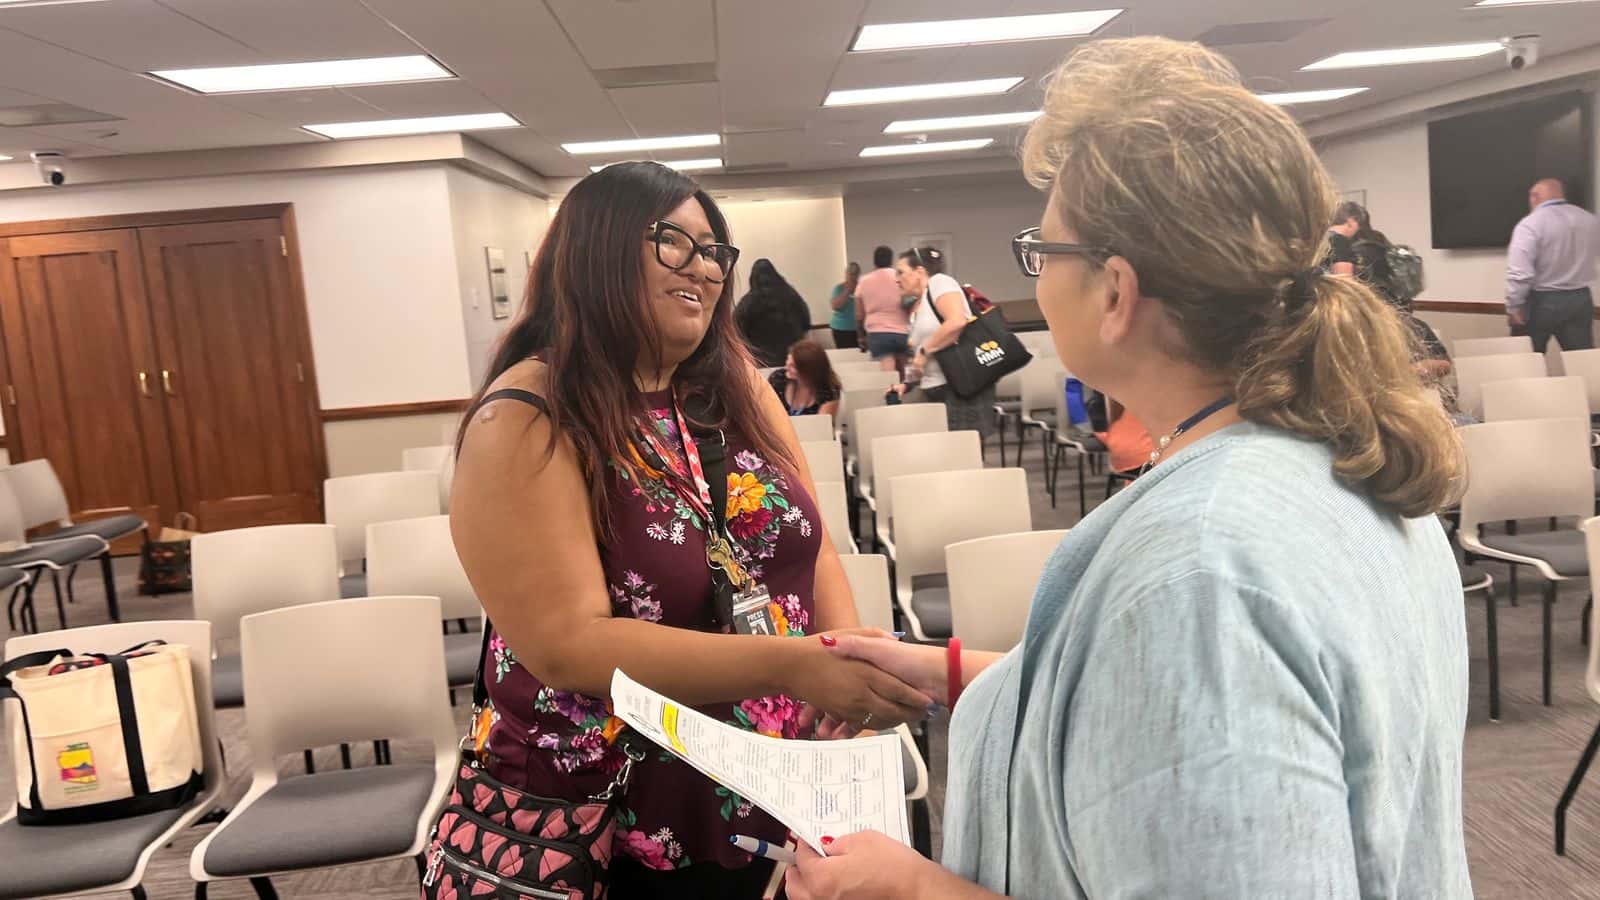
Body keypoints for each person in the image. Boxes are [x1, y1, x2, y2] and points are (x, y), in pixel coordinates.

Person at [786, 36, 1468, 899]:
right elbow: (1176, 717)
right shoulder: (1332, 458)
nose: (1040, 270)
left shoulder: (1201, 570)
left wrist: (909, 889)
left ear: (1115, 291)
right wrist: (952, 670)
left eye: (1046, 250)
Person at [449, 162, 931, 898]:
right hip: (609, 814)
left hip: (768, 777)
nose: (704, 268)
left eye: (714, 251)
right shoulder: (527, 415)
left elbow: (812, 546)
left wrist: (845, 694)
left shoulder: (737, 389)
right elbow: (570, 648)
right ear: (598, 249)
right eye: (676, 242)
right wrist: (796, 666)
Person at [894, 247, 996, 437]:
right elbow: (918, 356)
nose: (896, 279)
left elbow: (956, 321)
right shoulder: (917, 305)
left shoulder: (940, 282)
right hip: (934, 388)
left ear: (919, 272)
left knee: (962, 455)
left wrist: (924, 352)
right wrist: (907, 383)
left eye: (901, 272)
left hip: (958, 388)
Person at [1506, 176, 1600, 352]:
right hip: (1580, 299)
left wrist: (1513, 306)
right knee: (1581, 361)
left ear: (1534, 196)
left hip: (1541, 301)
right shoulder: (1590, 220)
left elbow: (1520, 274)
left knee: (1526, 363)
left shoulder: (1530, 224)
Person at [735, 258, 812, 367]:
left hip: (763, 361)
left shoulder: (748, 303)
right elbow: (806, 322)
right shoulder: (792, 296)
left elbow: (737, 332)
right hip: (793, 358)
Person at [855, 245, 911, 372]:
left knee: (887, 376)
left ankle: (891, 390)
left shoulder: (864, 281)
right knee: (906, 372)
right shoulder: (900, 278)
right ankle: (907, 390)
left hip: (877, 332)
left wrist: (861, 336)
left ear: (874, 261)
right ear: (891, 260)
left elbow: (859, 314)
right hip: (903, 332)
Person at [769, 339, 840, 417]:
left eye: (793, 366)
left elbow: (822, 424)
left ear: (809, 370)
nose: (787, 367)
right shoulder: (778, 378)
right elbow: (767, 414)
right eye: (787, 360)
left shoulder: (829, 391)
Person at [828, 263, 861, 350]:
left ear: (858, 274)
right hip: (841, 330)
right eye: (850, 273)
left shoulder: (862, 287)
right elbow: (835, 306)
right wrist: (847, 291)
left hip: (859, 330)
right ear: (846, 273)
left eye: (855, 273)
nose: (852, 276)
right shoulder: (838, 288)